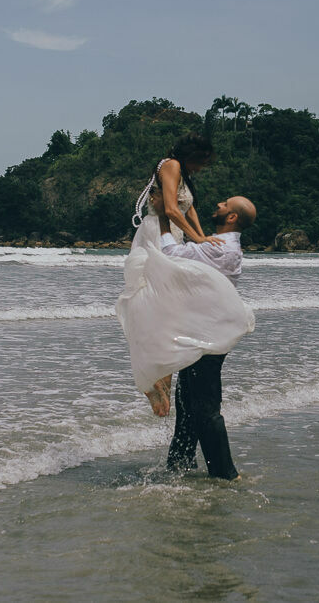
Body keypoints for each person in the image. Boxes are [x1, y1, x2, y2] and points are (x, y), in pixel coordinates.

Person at [121, 134, 230, 418]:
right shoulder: (170, 165)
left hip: (174, 237)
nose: (202, 168)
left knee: (171, 309)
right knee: (167, 308)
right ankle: (154, 377)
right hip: (159, 235)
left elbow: (188, 207)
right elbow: (169, 208)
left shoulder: (181, 173)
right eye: (202, 162)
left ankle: (161, 382)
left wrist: (201, 235)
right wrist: (199, 239)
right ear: (192, 155)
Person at [156, 193, 256, 480]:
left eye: (224, 204)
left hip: (208, 338)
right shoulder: (215, 244)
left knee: (205, 407)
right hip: (200, 333)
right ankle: (180, 464)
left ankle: (226, 474)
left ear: (232, 217)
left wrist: (164, 216)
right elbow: (191, 243)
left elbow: (171, 254)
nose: (219, 204)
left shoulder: (221, 249)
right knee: (187, 401)